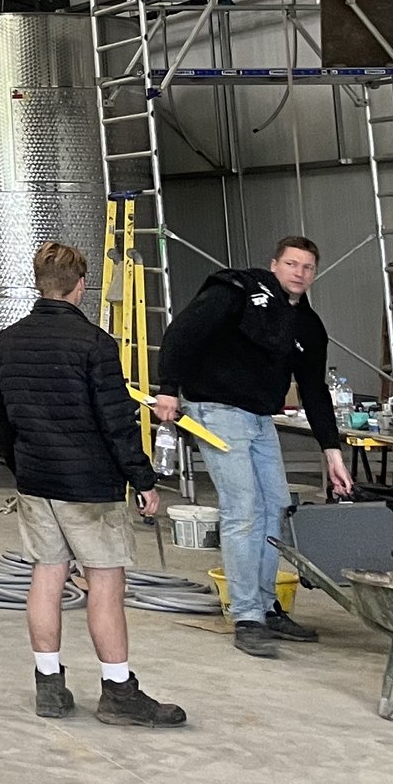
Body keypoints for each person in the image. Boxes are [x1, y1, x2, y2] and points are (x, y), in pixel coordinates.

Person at [0, 240, 186, 727]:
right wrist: (143, 480)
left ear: (40, 283)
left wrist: (22, 467)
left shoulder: (6, 341)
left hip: (36, 479)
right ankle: (118, 691)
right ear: (80, 287)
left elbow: (2, 419)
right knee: (105, 584)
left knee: (47, 575)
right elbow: (116, 423)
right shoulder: (95, 344)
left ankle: (49, 687)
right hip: (89, 486)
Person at [154, 234, 353, 658]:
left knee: (276, 505)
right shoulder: (240, 291)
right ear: (274, 264)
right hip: (216, 409)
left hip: (260, 417)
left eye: (307, 267)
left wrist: (331, 451)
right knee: (243, 509)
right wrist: (168, 390)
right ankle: (246, 616)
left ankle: (266, 606)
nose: (299, 273)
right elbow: (182, 332)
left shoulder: (307, 325)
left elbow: (315, 390)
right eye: (292, 264)